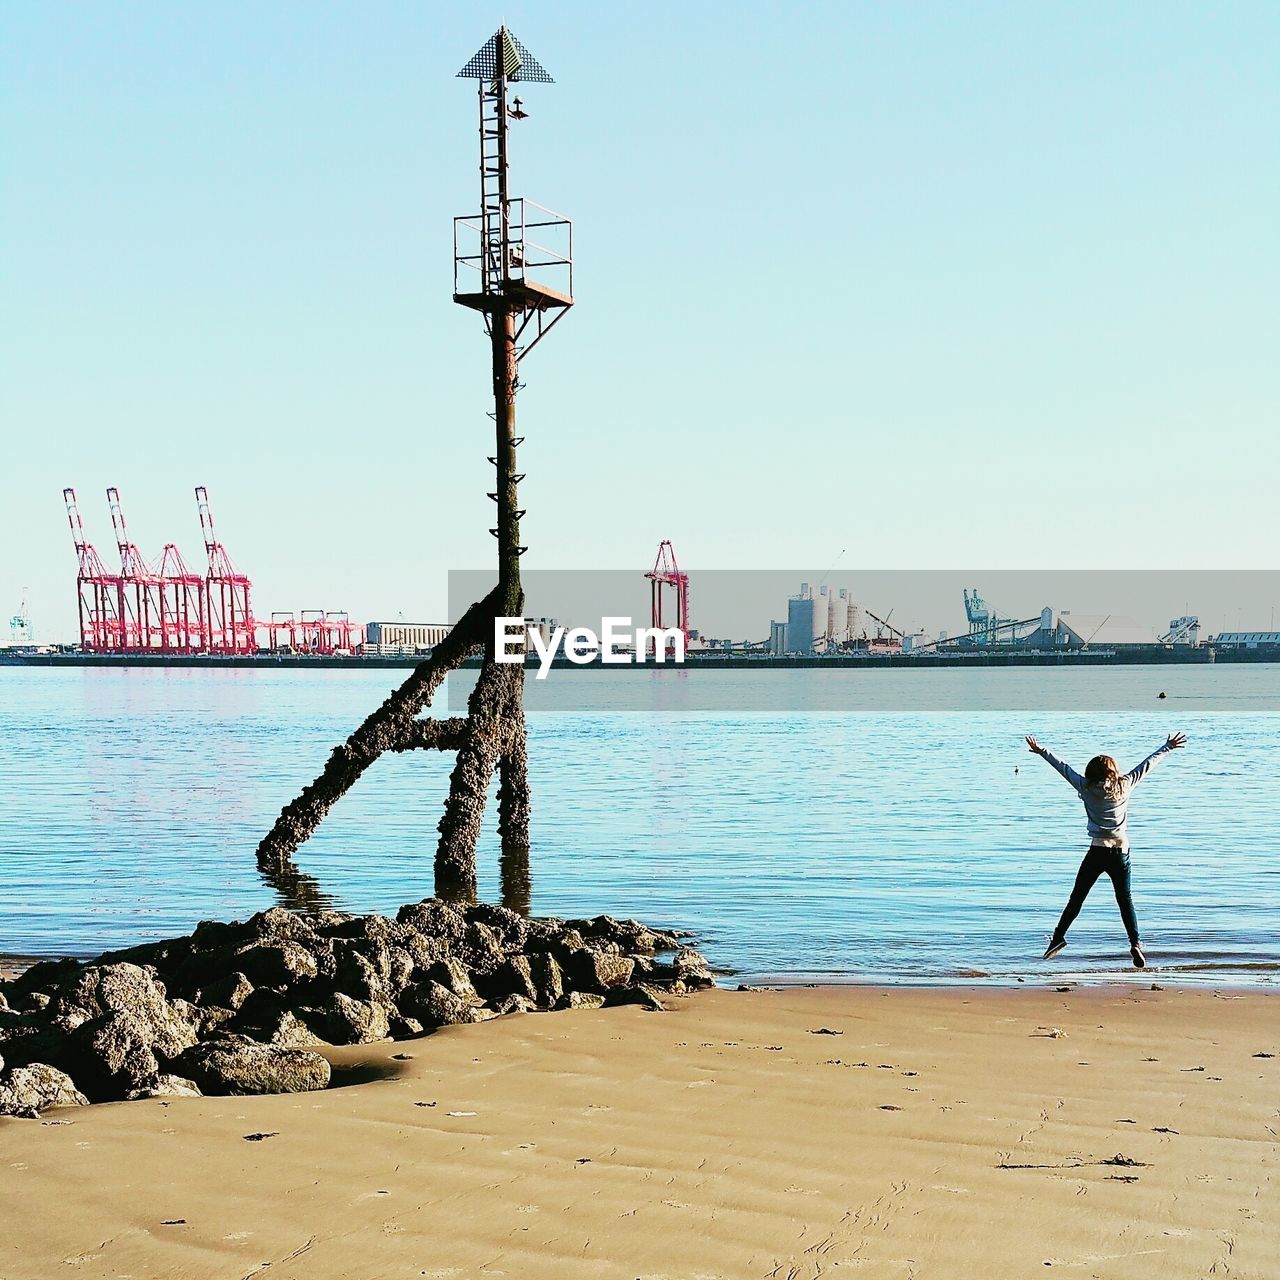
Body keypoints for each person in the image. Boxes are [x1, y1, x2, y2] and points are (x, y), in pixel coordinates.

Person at [1025, 731, 1187, 968]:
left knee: (1077, 898)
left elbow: (1063, 768)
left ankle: (1058, 938)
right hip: (1120, 851)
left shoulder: (1085, 786)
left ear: (1091, 772)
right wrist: (1167, 747)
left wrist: (1041, 751)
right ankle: (1135, 943)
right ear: (1114, 772)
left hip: (1097, 851)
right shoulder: (1125, 785)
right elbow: (1146, 765)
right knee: (1125, 900)